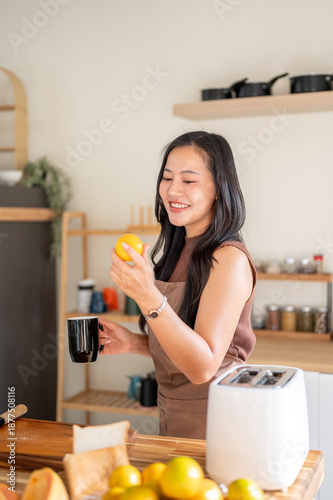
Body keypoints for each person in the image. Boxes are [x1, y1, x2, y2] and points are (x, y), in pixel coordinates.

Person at [98, 130, 256, 439]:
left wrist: (147, 296)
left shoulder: (229, 259)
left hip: (220, 422)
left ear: (219, 190)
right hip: (174, 413)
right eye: (167, 178)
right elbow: (185, 343)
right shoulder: (179, 248)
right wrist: (134, 342)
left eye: (189, 180)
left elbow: (203, 366)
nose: (172, 190)